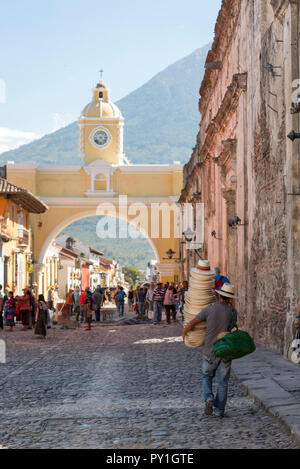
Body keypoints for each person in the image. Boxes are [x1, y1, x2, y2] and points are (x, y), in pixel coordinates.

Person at [182, 283, 238, 418]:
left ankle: (208, 398)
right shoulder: (233, 312)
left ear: (219, 295)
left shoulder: (209, 309)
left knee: (206, 376)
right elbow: (232, 329)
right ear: (230, 298)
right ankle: (219, 411)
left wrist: (184, 334)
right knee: (223, 382)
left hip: (210, 351)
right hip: (225, 351)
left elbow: (192, 323)